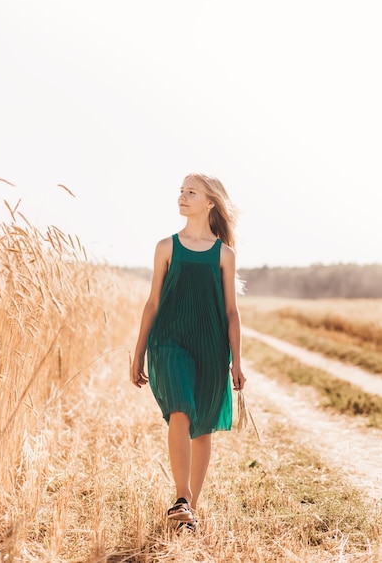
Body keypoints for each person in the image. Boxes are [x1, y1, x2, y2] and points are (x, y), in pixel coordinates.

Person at [131, 172, 246, 532]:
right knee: (179, 411)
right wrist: (137, 353)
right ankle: (182, 497)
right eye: (181, 191)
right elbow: (152, 303)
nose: (182, 196)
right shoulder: (166, 247)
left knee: (203, 428)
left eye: (191, 192)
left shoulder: (224, 255)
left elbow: (231, 311)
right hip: (168, 340)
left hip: (211, 346)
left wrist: (237, 361)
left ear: (210, 202)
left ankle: (188, 513)